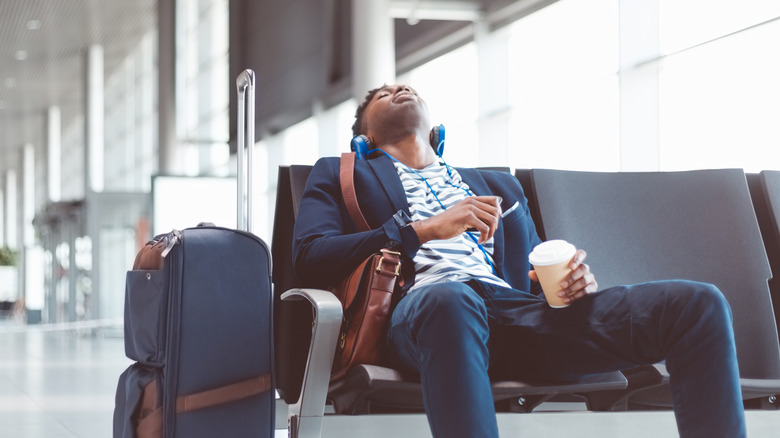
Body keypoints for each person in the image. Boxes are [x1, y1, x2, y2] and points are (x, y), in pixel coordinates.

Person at [292, 84, 746, 438]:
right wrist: (422, 230)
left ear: (436, 129)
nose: (398, 90)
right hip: (425, 310)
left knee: (698, 304)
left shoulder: (497, 185)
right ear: (364, 137)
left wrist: (570, 285)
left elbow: (533, 281)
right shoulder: (341, 172)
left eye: (407, 87)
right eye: (383, 94)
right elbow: (310, 256)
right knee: (452, 301)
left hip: (518, 316)